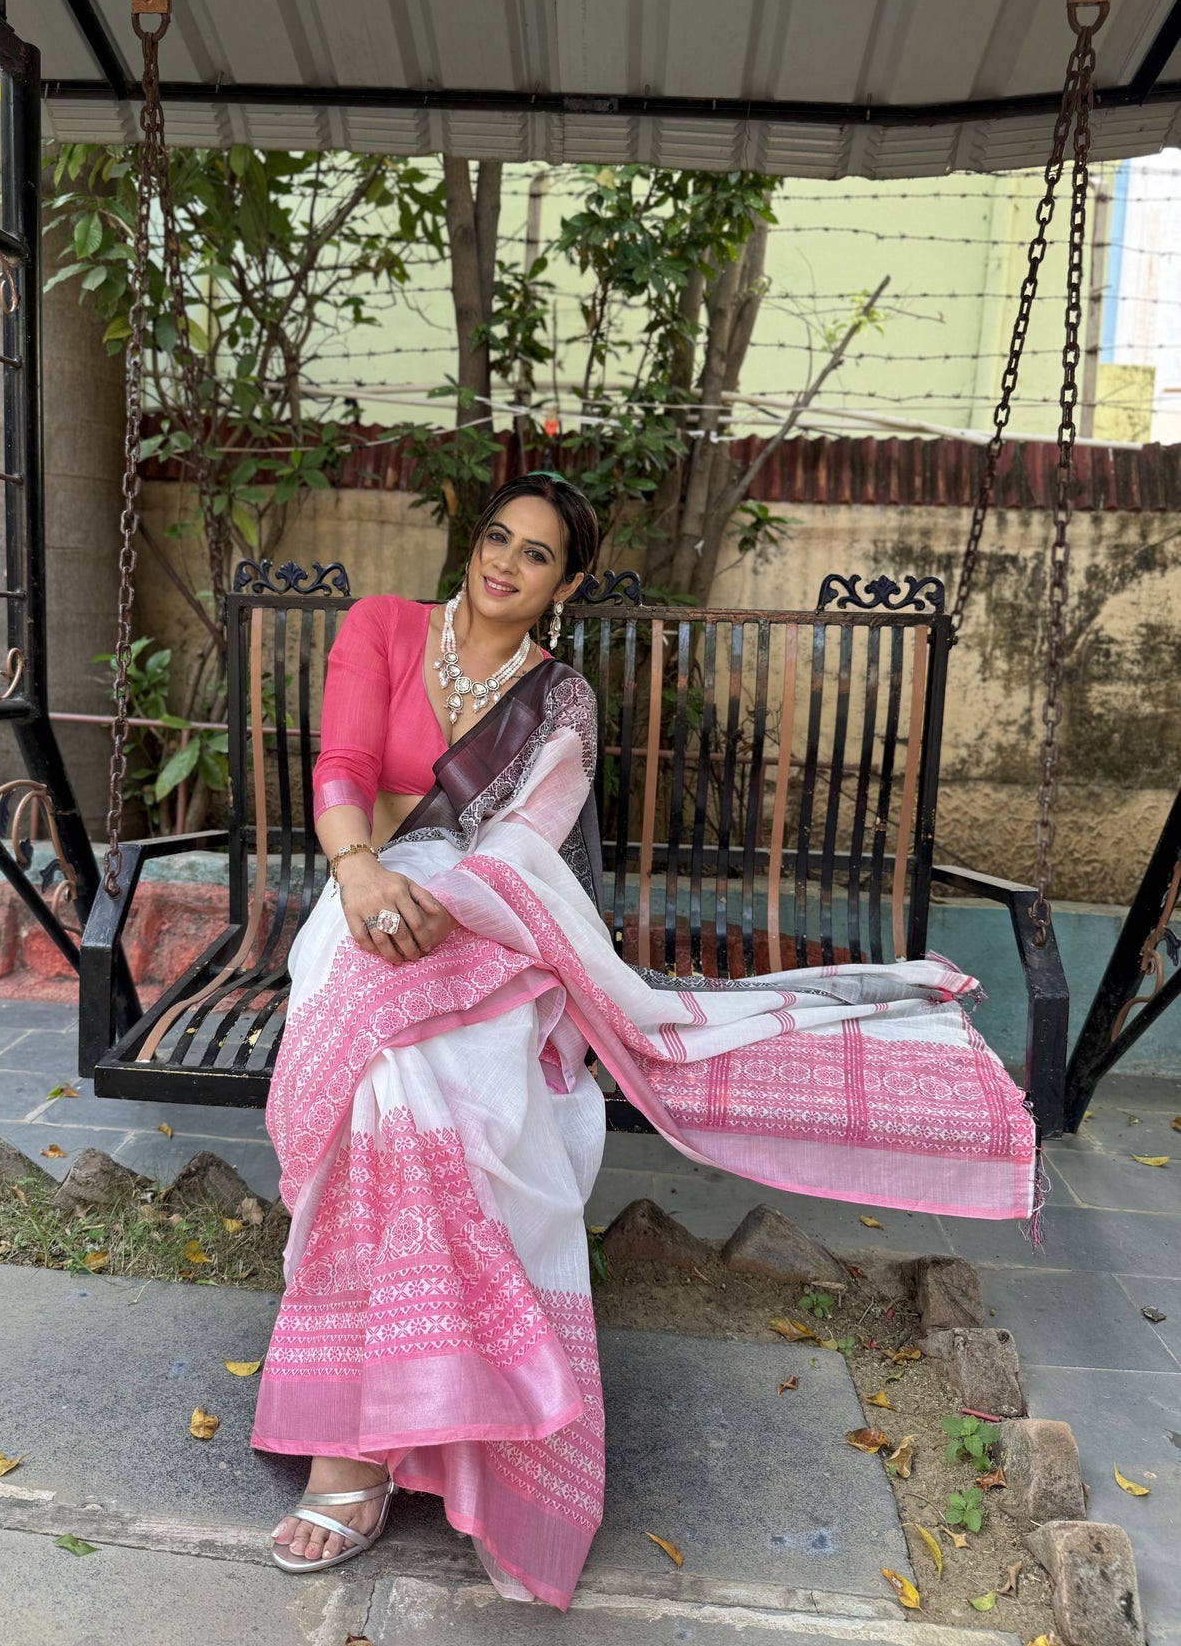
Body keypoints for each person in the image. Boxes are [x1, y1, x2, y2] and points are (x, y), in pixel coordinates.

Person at [251, 473, 1035, 1609]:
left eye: (534, 556)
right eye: (494, 539)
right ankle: (376, 1427)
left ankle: (368, 1443)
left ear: (566, 584)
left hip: (494, 927)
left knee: (424, 1083)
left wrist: (443, 921)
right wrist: (364, 877)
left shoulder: (561, 704)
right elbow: (344, 771)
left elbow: (522, 853)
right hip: (359, 897)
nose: (502, 565)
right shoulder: (383, 628)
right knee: (392, 1075)